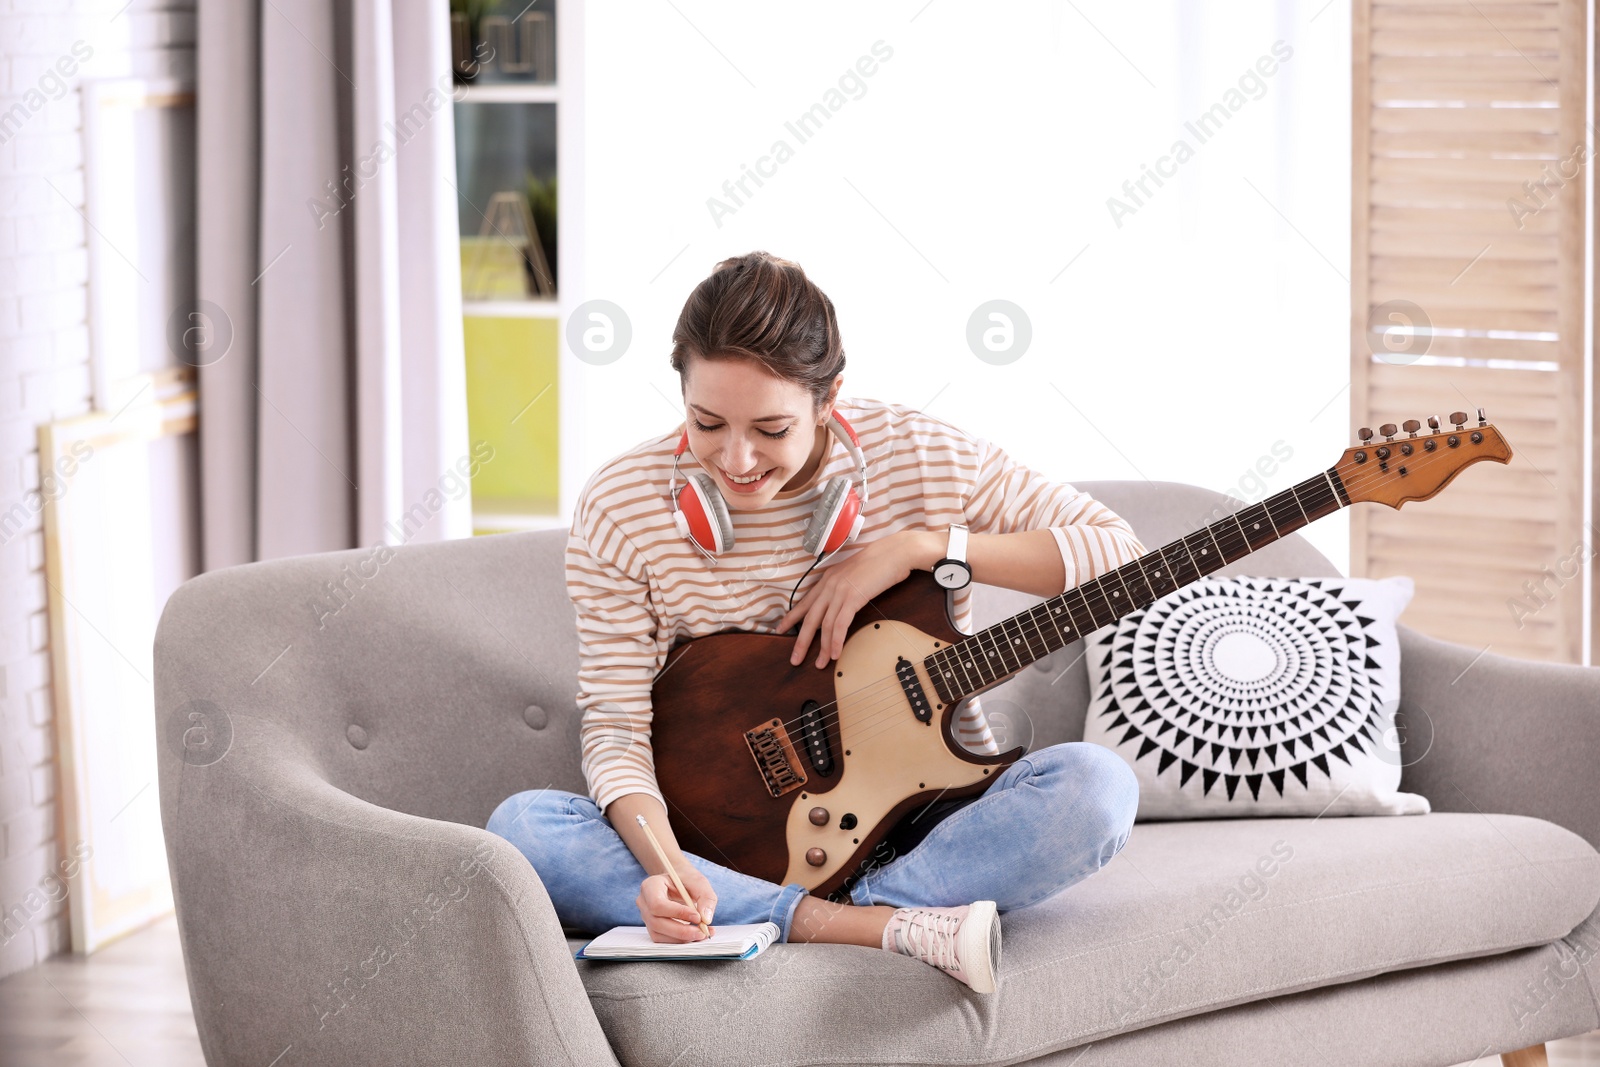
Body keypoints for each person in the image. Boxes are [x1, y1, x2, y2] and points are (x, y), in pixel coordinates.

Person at [487, 251, 1143, 994]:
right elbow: (615, 727)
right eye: (706, 422)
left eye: (770, 428)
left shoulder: (920, 455)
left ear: (829, 397)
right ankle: (869, 925)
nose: (734, 459)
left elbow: (1117, 553)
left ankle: (812, 913)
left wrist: (923, 546)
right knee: (524, 828)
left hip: (928, 820)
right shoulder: (621, 505)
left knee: (1097, 789)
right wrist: (668, 869)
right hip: (725, 843)